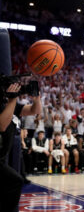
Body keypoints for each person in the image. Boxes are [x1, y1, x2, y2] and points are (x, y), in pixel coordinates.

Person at [0, 83, 40, 212]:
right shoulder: (6, 105)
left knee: (14, 181)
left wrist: (36, 98)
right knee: (14, 181)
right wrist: (12, 99)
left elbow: (35, 110)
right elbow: (2, 125)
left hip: (4, 154)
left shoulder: (13, 105)